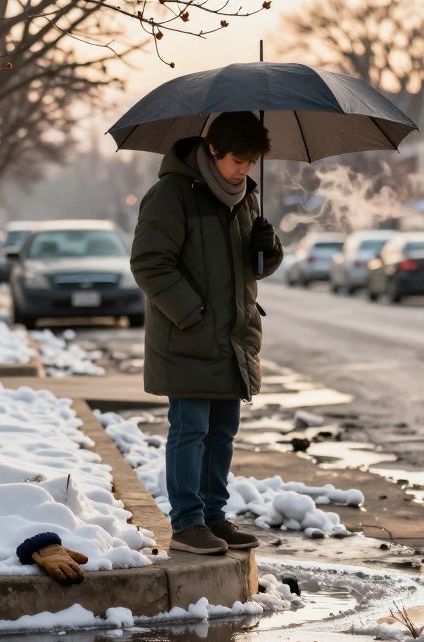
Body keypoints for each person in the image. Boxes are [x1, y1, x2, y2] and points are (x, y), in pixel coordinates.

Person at [130, 111, 282, 555]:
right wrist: (193, 315)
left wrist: (266, 249)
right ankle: (187, 523)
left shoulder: (246, 198)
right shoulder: (171, 195)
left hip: (234, 338)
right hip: (188, 336)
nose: (244, 170)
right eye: (238, 159)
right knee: (190, 429)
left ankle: (214, 515)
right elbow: (149, 265)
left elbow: (252, 270)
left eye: (251, 162)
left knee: (222, 431)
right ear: (213, 149)